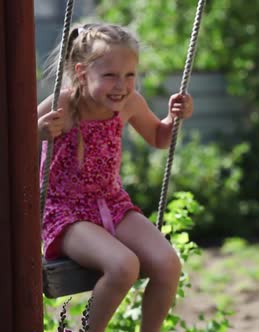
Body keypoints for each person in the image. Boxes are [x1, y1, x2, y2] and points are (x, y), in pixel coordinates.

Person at [37, 23, 193, 332]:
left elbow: (159, 138)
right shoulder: (64, 105)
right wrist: (38, 133)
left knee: (168, 264)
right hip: (65, 212)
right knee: (123, 266)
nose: (121, 85)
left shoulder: (130, 102)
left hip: (111, 203)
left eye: (130, 75)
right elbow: (13, 146)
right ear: (82, 73)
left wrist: (174, 118)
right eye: (110, 75)